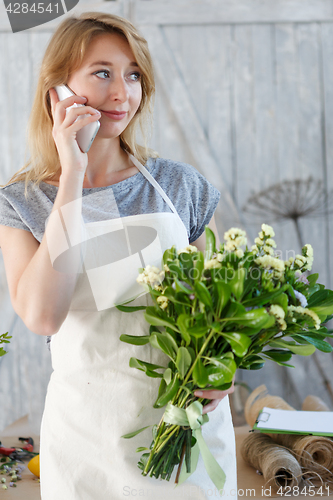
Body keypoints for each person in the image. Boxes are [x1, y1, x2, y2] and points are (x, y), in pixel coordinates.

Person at [0, 12, 237, 499]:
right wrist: (72, 175)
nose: (121, 93)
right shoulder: (21, 202)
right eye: (102, 72)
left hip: (183, 435)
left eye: (133, 75)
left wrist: (225, 367)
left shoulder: (181, 186)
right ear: (58, 91)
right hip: (85, 439)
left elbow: (224, 308)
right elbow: (44, 315)